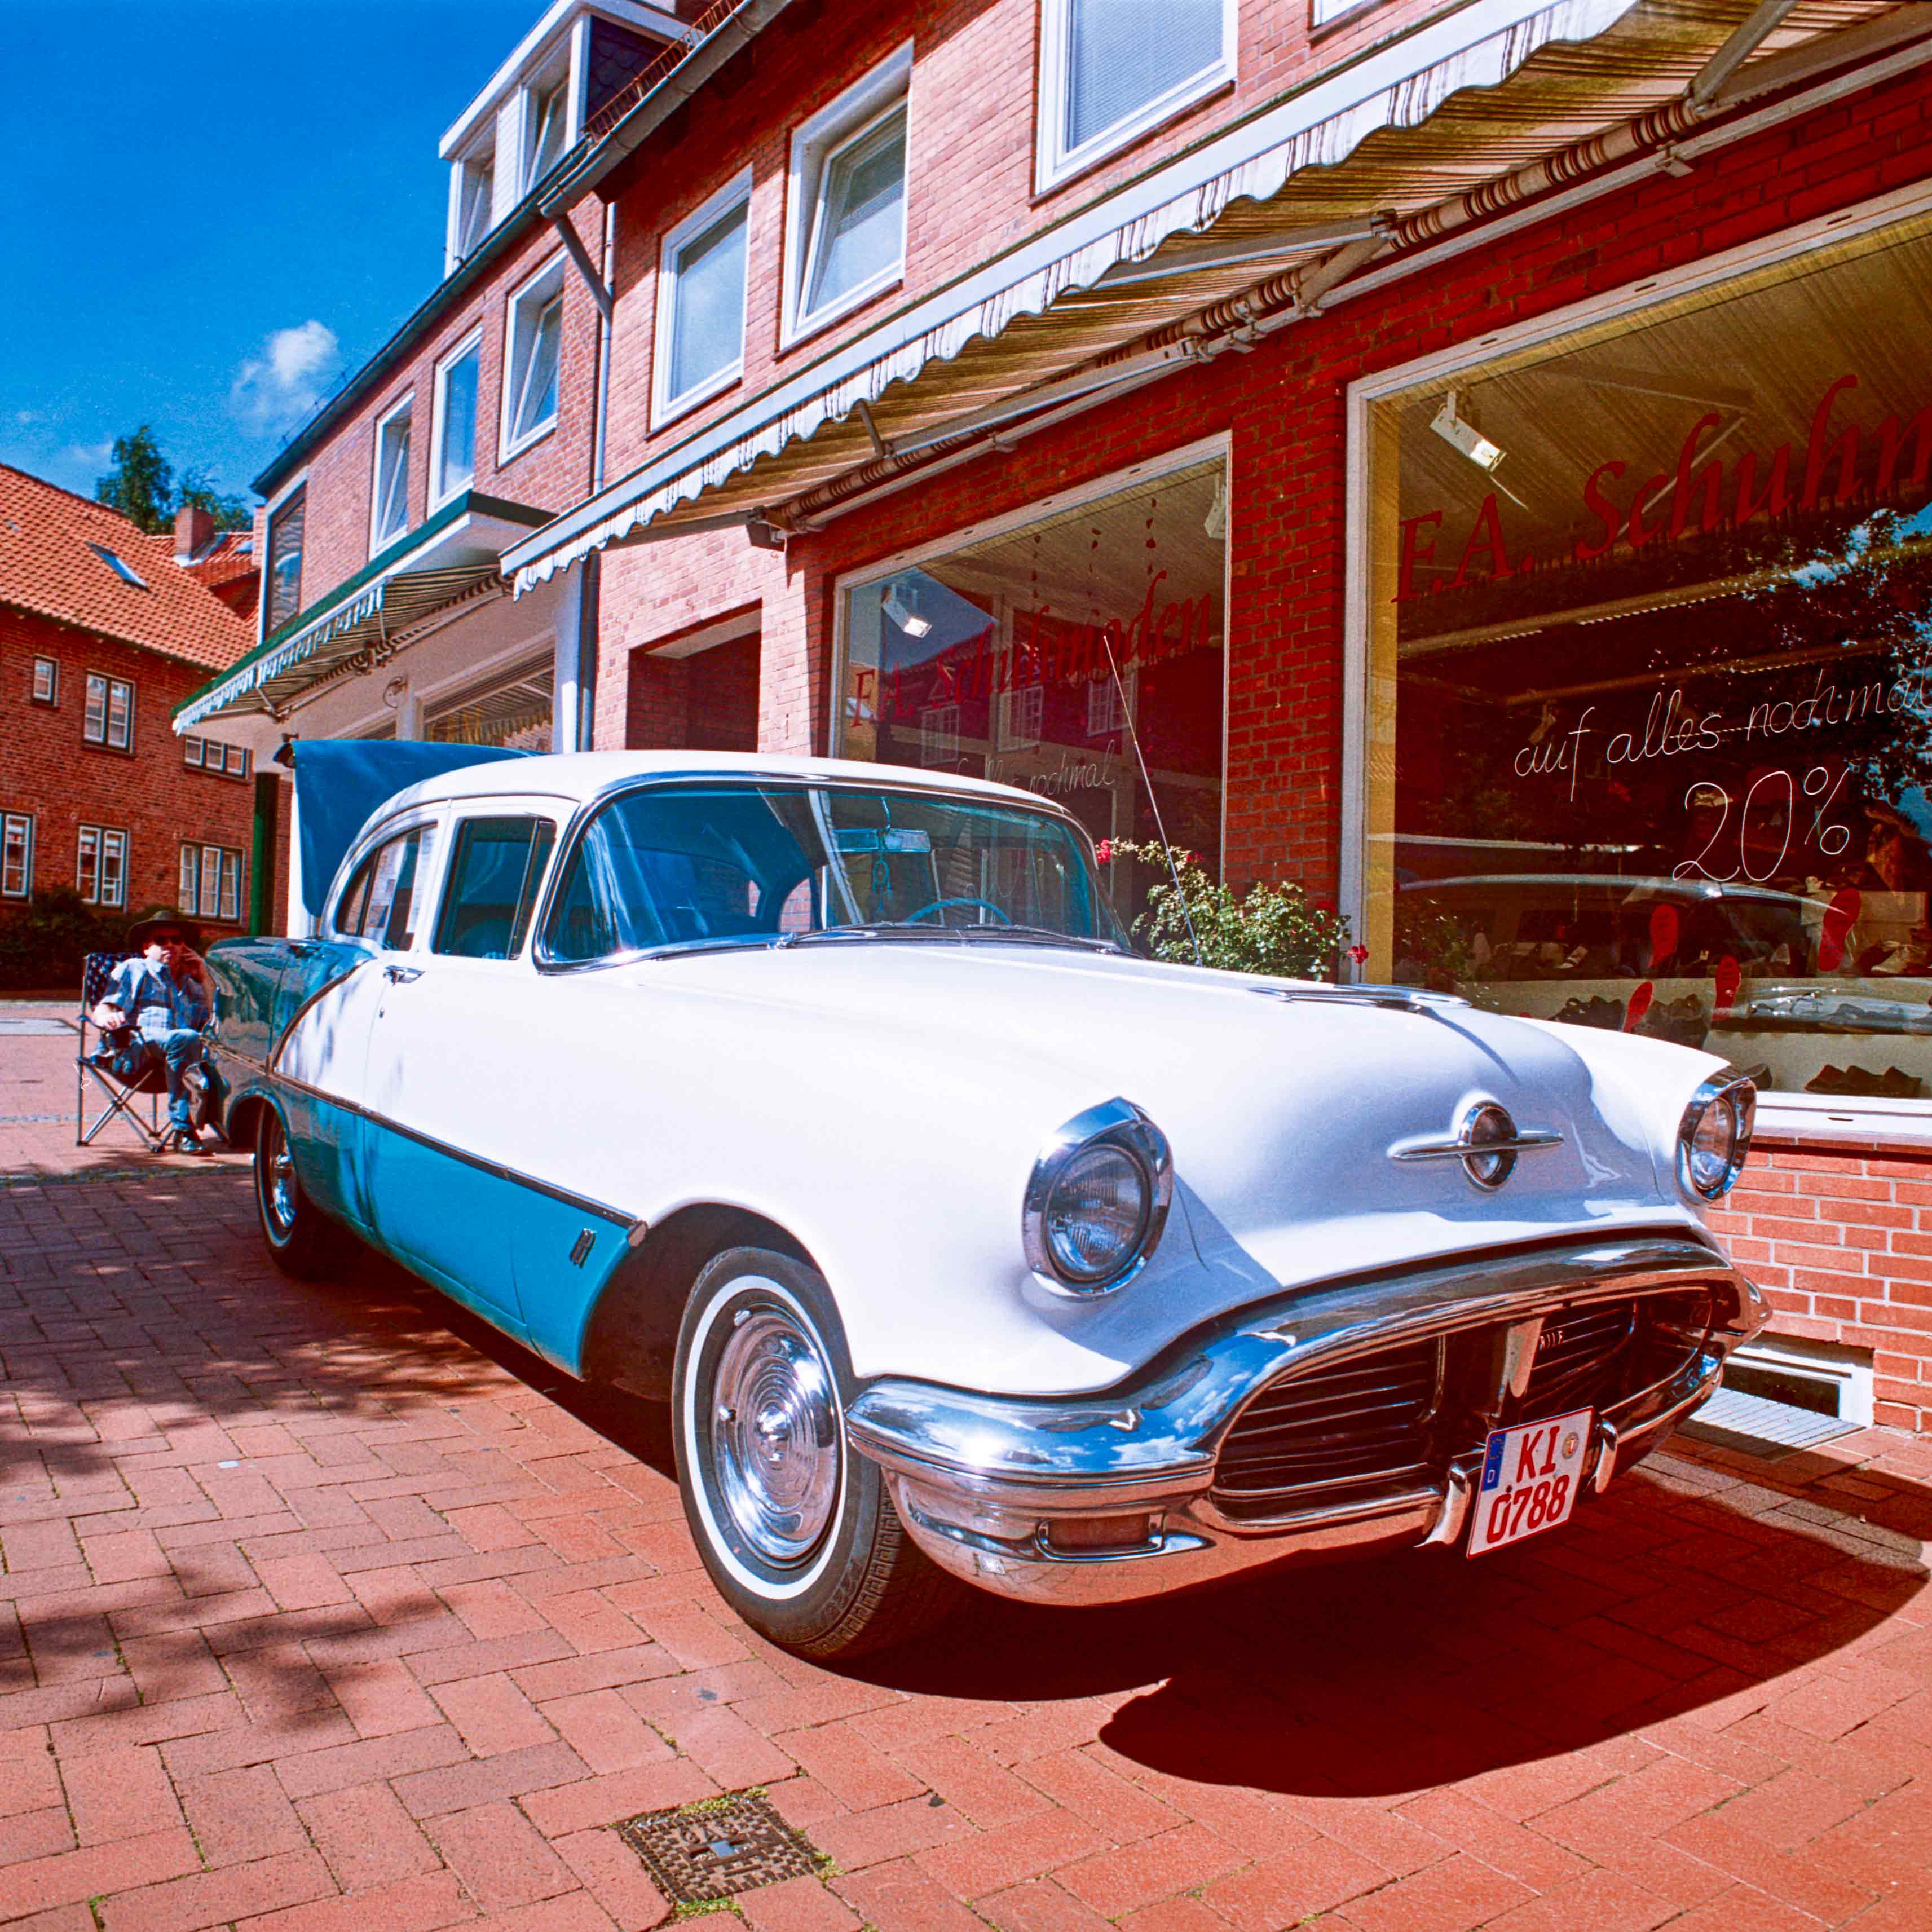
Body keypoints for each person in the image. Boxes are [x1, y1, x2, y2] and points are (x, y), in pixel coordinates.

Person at [92, 915, 218, 1155]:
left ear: (185, 947)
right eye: (161, 940)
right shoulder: (134, 968)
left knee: (211, 1045)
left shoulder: (191, 984)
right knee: (186, 1038)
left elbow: (214, 1022)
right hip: (136, 1054)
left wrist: (204, 977)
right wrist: (105, 1018)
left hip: (180, 1061)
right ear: (146, 948)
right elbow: (105, 1005)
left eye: (176, 940)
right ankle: (184, 1131)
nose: (170, 945)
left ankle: (235, 1125)